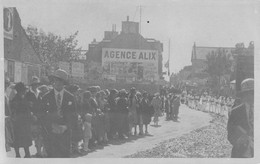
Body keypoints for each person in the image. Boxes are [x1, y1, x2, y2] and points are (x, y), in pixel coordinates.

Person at [41, 69, 77, 158]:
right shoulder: (46, 97)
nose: (58, 83)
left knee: (64, 157)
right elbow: (41, 116)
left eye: (61, 80)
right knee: (51, 157)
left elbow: (74, 116)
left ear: (64, 83)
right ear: (53, 81)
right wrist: (52, 126)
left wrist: (65, 127)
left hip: (65, 134)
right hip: (51, 134)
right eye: (56, 80)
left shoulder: (70, 97)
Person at [227, 78, 254, 158]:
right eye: (247, 93)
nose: (250, 96)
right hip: (241, 153)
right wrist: (238, 141)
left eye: (253, 93)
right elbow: (230, 133)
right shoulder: (235, 112)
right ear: (243, 95)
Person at [10, 82, 32, 158]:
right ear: (20, 90)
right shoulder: (15, 99)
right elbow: (14, 111)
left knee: (25, 137)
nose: (25, 91)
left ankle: (27, 153)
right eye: (23, 90)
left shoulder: (23, 98)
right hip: (19, 122)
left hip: (24, 122)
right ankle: (18, 154)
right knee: (18, 138)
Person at [25, 76, 43, 157]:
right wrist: (32, 115)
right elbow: (26, 106)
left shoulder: (40, 93)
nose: (35, 86)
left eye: (37, 84)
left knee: (40, 135)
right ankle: (28, 153)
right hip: (32, 117)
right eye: (34, 84)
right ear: (31, 85)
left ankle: (39, 152)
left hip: (40, 117)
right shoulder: (28, 93)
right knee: (32, 135)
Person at [5, 77, 14, 152]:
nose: (6, 85)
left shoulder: (6, 92)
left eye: (7, 83)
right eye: (5, 83)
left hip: (6, 117)